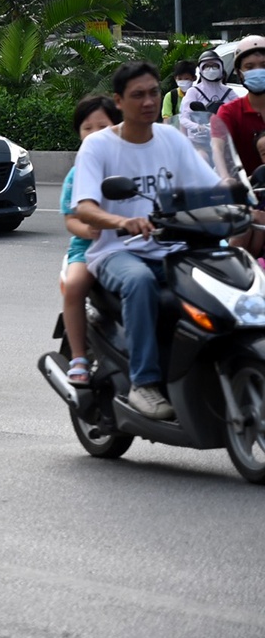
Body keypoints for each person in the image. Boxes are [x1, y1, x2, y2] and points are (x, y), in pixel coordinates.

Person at [70, 61, 230, 420]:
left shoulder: (172, 138)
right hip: (117, 250)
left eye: (154, 92)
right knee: (140, 282)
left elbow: (210, 186)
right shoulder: (98, 146)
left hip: (174, 247)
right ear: (119, 101)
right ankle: (144, 384)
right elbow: (84, 208)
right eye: (138, 95)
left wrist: (238, 195)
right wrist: (123, 221)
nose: (148, 101)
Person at [57, 95, 122, 386]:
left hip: (130, 244)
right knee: (74, 286)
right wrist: (88, 231)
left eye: (103, 126)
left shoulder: (131, 164)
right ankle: (79, 357)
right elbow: (71, 218)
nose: (94, 134)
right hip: (89, 247)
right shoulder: (77, 172)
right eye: (87, 128)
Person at [211, 36, 265, 181]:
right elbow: (217, 147)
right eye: (249, 67)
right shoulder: (230, 112)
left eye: (263, 65)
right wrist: (225, 177)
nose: (258, 71)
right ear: (239, 72)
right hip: (247, 196)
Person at [177, 49, 239, 162]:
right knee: (202, 159)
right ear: (200, 70)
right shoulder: (193, 91)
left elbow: (241, 112)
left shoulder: (229, 92)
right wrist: (197, 127)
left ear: (221, 68)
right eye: (207, 66)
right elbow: (183, 118)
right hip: (200, 142)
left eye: (215, 66)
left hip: (225, 141)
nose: (211, 69)